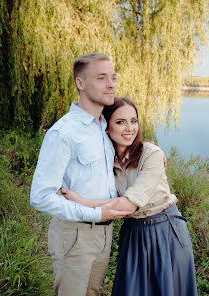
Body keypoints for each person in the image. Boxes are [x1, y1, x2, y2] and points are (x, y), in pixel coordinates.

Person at [59, 97, 198, 296]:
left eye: (133, 121)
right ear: (106, 127)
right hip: (134, 233)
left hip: (165, 232)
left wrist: (81, 202)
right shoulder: (103, 160)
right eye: (120, 122)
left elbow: (128, 206)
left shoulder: (151, 154)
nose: (129, 129)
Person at [30, 53, 132, 296]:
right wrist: (96, 212)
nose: (111, 85)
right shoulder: (63, 133)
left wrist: (152, 151)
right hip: (75, 235)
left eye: (113, 78)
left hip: (104, 234)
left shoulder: (103, 127)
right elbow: (41, 196)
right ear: (80, 84)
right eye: (101, 78)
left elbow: (129, 146)